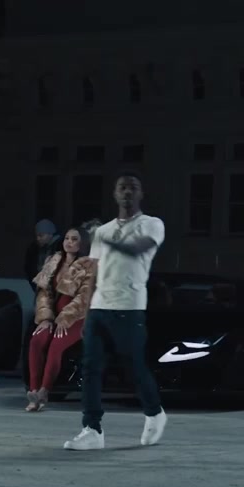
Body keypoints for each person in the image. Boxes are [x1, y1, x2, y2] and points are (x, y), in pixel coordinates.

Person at [63, 173, 168, 451]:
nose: (127, 192)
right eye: (122, 187)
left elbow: (136, 250)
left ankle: (154, 412)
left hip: (129, 307)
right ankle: (92, 429)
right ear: (115, 193)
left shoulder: (152, 224)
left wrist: (103, 238)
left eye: (133, 187)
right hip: (99, 308)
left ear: (140, 193)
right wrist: (86, 311)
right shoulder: (103, 231)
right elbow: (95, 272)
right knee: (90, 368)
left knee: (133, 367)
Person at [27, 226, 97, 411]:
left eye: (74, 239)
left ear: (82, 243)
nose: (69, 242)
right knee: (37, 341)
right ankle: (33, 392)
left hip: (77, 318)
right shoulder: (53, 261)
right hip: (53, 317)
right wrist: (46, 318)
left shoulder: (90, 265)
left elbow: (84, 297)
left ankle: (44, 391)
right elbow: (44, 292)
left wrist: (65, 318)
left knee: (55, 346)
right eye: (67, 238)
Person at [24, 219, 60, 286]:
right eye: (37, 236)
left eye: (41, 235)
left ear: (50, 234)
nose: (38, 238)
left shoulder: (60, 247)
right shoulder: (34, 248)